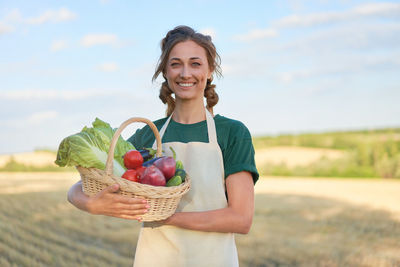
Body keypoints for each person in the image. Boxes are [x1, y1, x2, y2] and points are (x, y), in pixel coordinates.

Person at [67, 25, 259, 267]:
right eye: (176, 63)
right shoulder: (149, 135)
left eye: (195, 64)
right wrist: (91, 204)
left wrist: (168, 217)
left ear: (210, 71)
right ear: (165, 72)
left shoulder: (232, 133)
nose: (185, 73)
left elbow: (241, 219)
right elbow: (78, 189)